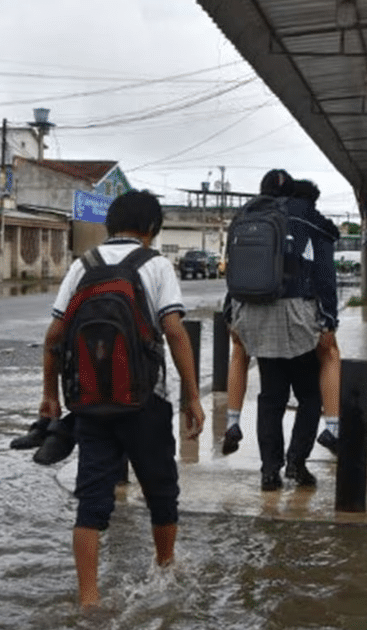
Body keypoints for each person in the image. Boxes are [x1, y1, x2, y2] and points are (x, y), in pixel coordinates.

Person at [39, 190, 204, 608]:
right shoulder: (156, 265)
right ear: (152, 229)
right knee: (161, 492)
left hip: (90, 402)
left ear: (111, 225)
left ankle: (89, 599)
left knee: (91, 500)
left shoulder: (83, 266)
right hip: (145, 401)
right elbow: (174, 331)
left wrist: (49, 397)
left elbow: (54, 338)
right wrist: (192, 396)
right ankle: (166, 569)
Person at [222, 170, 340, 491]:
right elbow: (324, 271)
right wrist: (329, 319)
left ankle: (268, 471)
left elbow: (235, 268)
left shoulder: (244, 215)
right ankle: (296, 464)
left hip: (252, 313)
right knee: (309, 394)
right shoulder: (305, 216)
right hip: (295, 316)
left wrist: (230, 312)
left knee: (271, 397)